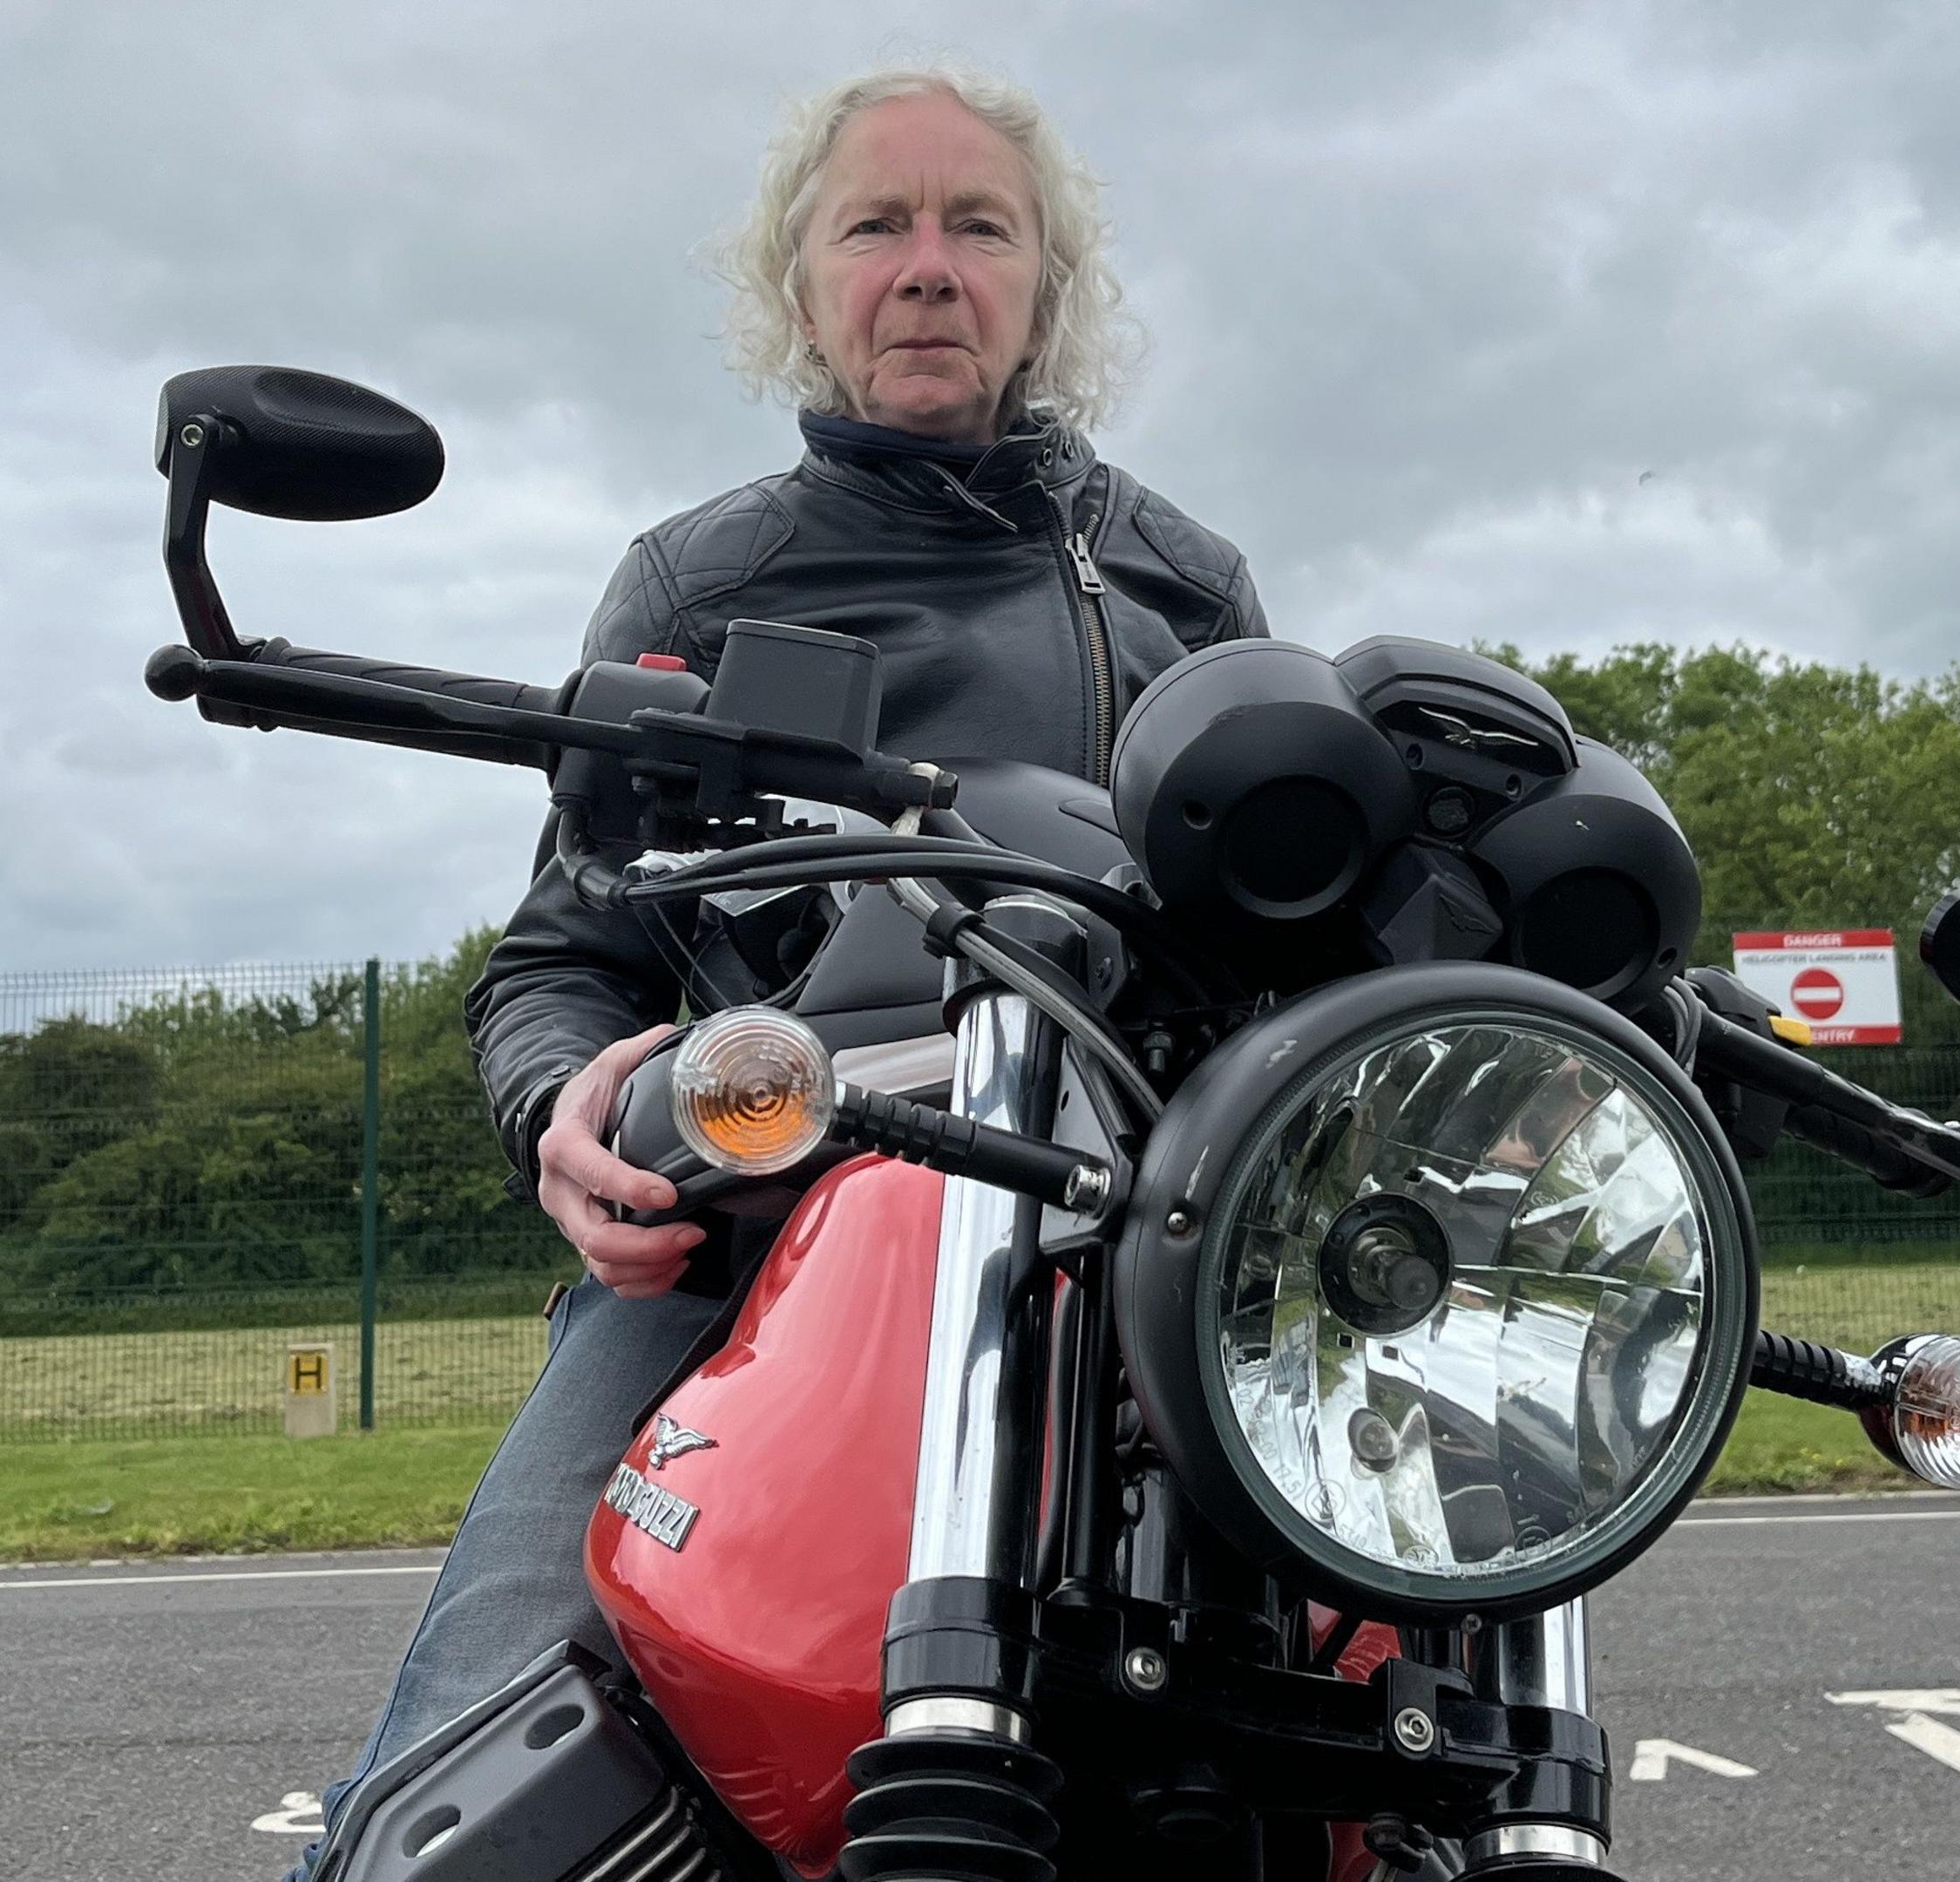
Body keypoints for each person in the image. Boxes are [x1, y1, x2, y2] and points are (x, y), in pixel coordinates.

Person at [291, 64, 1268, 1869]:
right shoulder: (704, 583)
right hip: (755, 1247)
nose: (927, 266)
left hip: (1151, 1267)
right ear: (800, 286)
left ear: (1047, 283)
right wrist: (560, 1118)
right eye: (874, 225)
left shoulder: (1188, 591)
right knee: (458, 1778)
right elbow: (561, 960)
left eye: (980, 225)